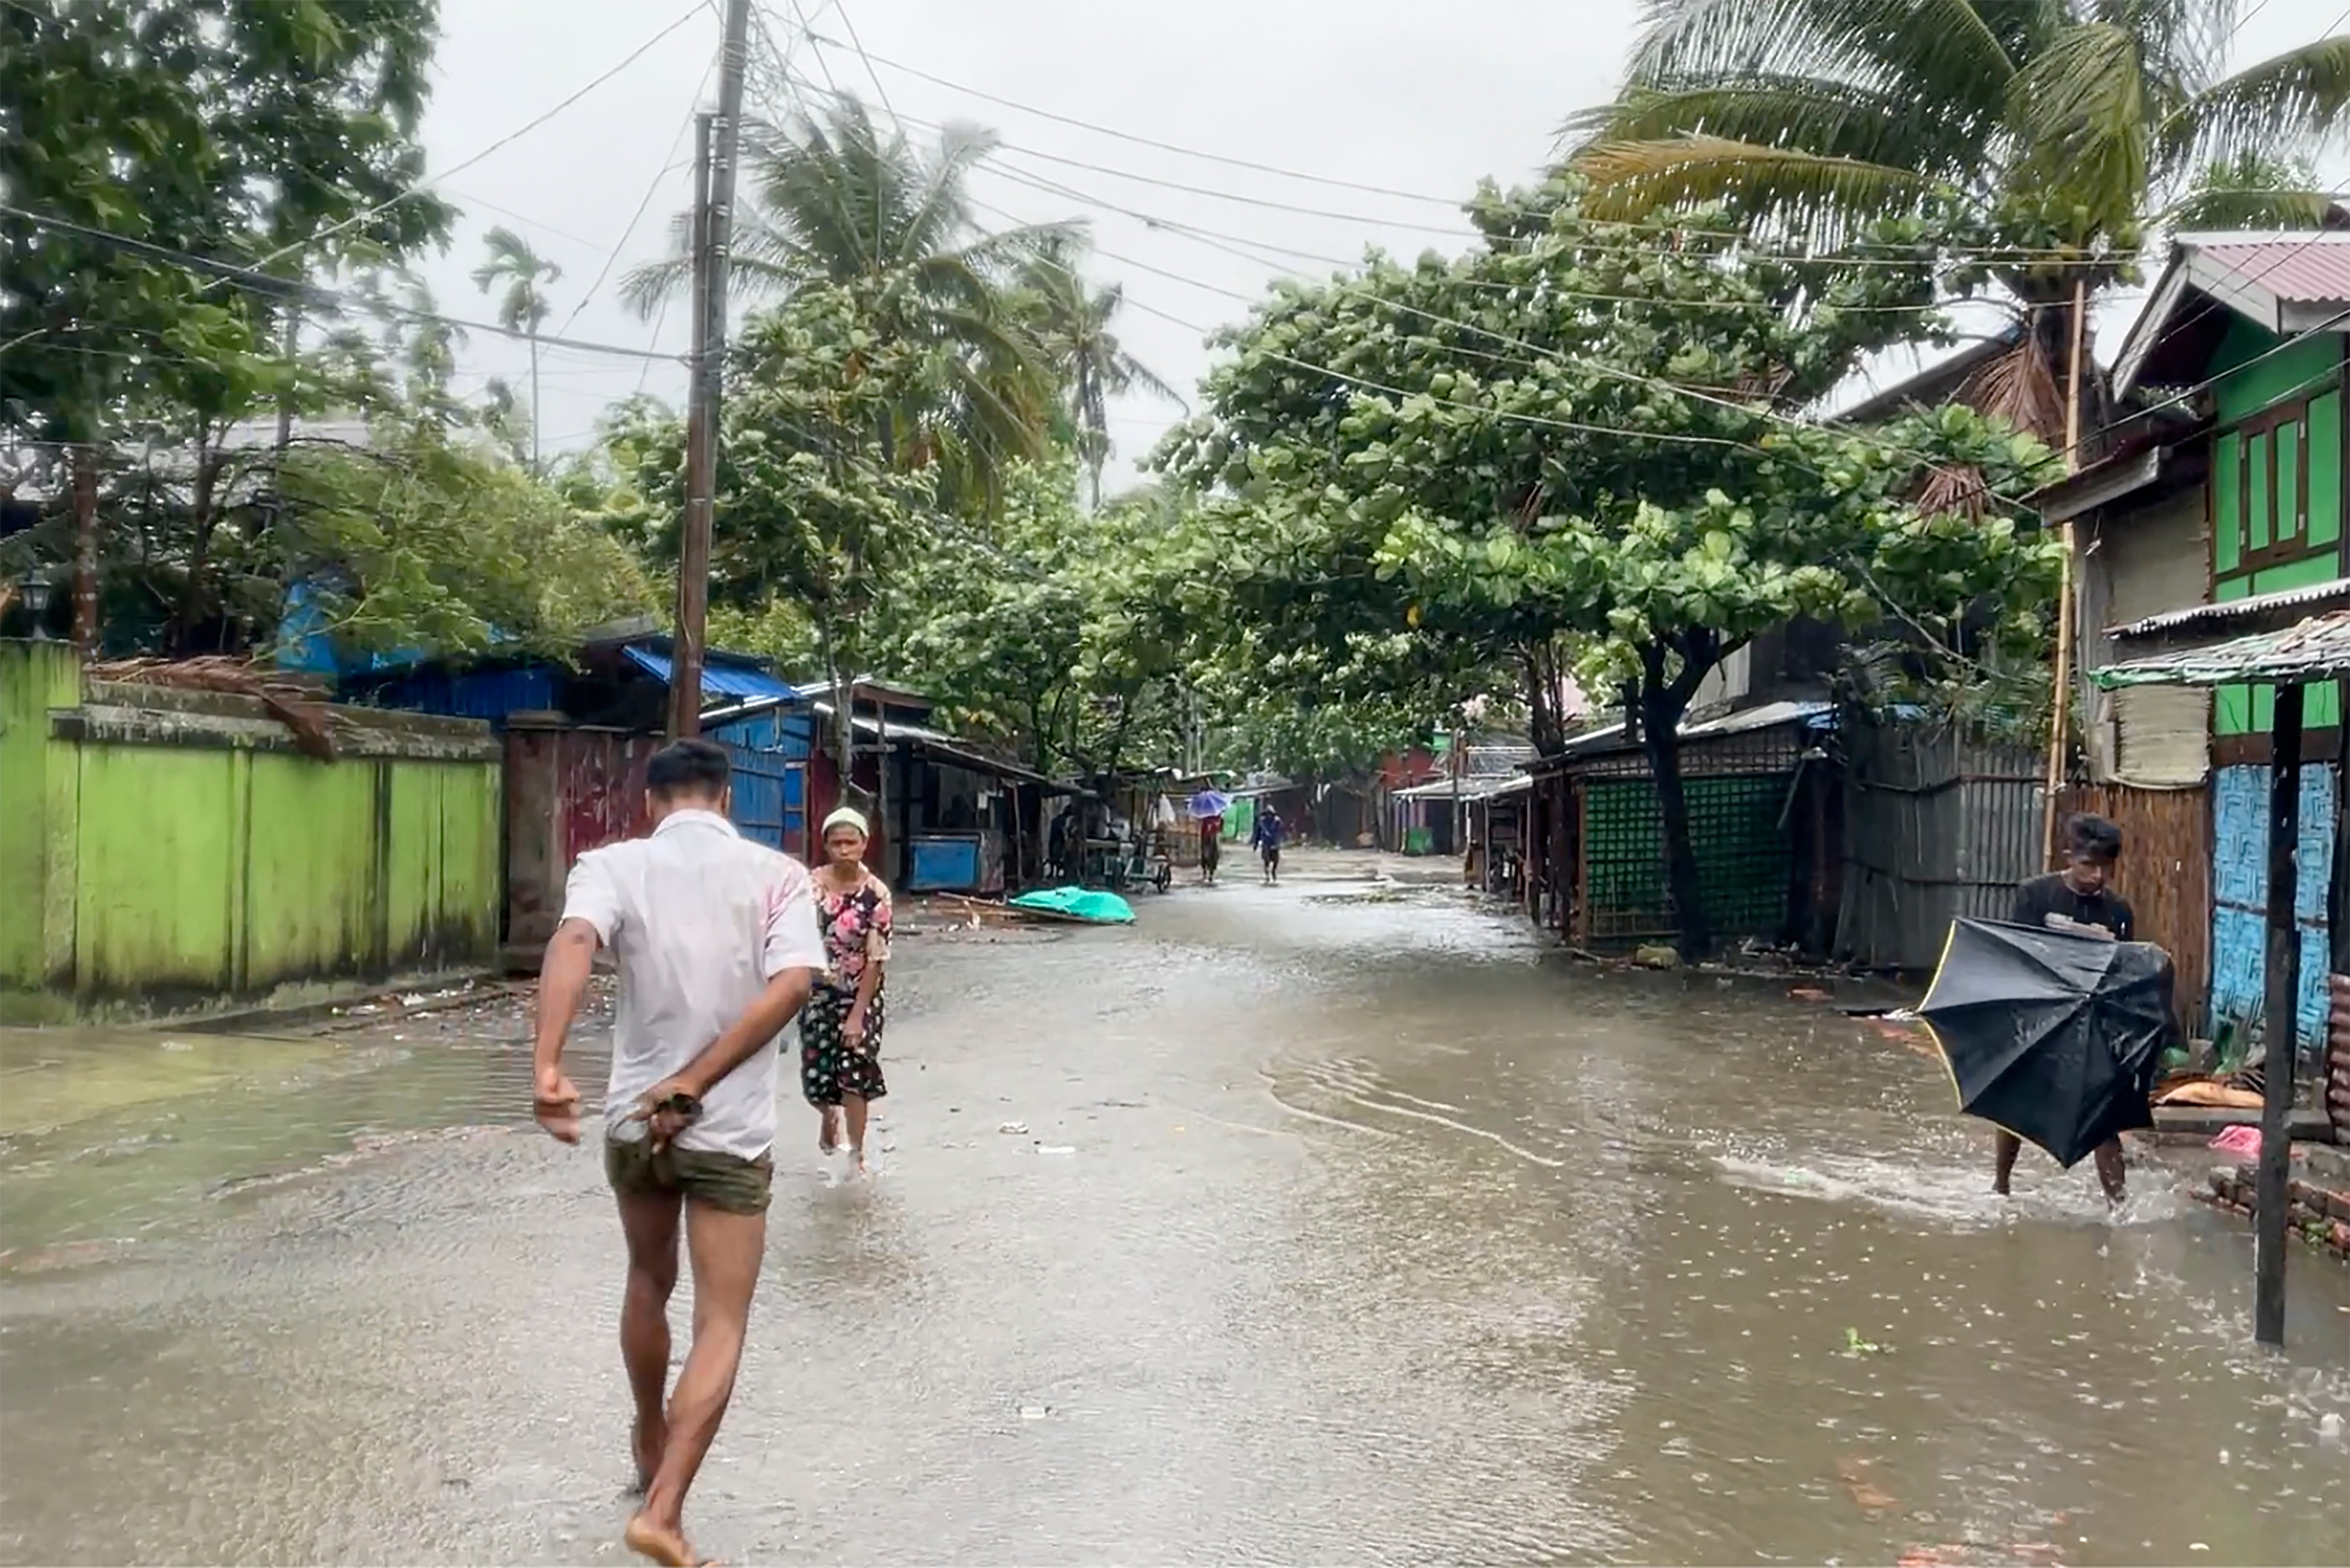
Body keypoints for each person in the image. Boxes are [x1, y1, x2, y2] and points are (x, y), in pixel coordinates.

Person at [531, 738, 826, 1568]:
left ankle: (647, 1431)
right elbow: (795, 984)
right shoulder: (777, 874)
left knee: (647, 1281)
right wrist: (696, 1083)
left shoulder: (611, 864)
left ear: (652, 803)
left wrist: (548, 1066)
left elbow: (574, 944)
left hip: (634, 1123)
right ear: (726, 800)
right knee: (721, 1322)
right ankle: (663, 1512)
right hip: (729, 1133)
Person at [2001, 811, 2134, 1203]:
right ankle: (2002, 1185)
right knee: (2014, 1103)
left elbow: (2122, 969)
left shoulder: (2119, 912)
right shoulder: (2035, 895)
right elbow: (2019, 952)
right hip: (2038, 1009)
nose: (2096, 875)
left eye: (2105, 867)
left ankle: (2119, 1203)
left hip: (2091, 1017)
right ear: (2068, 858)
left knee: (2104, 1114)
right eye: (2088, 865)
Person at [802, 806, 893, 1176]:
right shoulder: (809, 887)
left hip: (861, 993)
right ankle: (828, 1115)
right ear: (825, 846)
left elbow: (876, 959)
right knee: (817, 1074)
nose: (844, 849)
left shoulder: (876, 894)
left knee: (855, 1070)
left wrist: (857, 1015)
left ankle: (857, 1155)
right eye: (836, 843)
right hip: (816, 992)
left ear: (864, 845)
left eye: (850, 842)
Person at [1252, 805, 1285, 884]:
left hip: (1275, 842)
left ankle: (1274, 872)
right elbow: (1258, 834)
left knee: (1276, 860)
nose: (1269, 816)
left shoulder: (1277, 821)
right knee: (1266, 860)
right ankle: (1267, 873)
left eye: (1270, 814)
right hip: (1266, 843)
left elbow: (1281, 832)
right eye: (1268, 814)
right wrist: (1256, 844)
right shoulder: (1262, 822)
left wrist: (1279, 843)